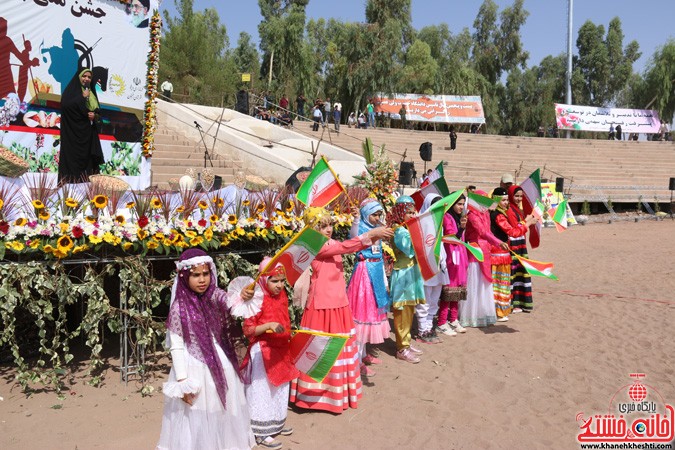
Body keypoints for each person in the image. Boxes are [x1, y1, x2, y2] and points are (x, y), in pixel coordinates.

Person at [290, 207, 392, 413]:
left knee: (335, 350)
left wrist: (367, 231)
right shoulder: (315, 245)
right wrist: (371, 234)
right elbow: (347, 246)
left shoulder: (330, 244)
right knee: (319, 350)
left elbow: (347, 245)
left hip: (338, 303)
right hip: (321, 306)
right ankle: (317, 397)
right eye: (322, 226)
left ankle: (334, 395)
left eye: (329, 225)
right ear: (312, 229)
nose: (328, 229)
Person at [157, 249, 254, 450]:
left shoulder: (215, 295)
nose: (202, 280)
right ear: (184, 277)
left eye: (205, 274)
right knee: (198, 411)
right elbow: (176, 345)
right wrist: (182, 381)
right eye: (195, 275)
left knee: (222, 409)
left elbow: (231, 302)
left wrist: (243, 296)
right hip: (194, 366)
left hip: (221, 362)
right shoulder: (179, 308)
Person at [235, 259, 299, 450]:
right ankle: (260, 432)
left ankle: (277, 422)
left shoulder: (282, 295)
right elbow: (248, 330)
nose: (279, 285)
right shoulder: (255, 298)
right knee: (262, 390)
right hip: (263, 351)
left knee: (280, 387)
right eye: (274, 281)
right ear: (263, 279)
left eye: (281, 280)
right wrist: (269, 326)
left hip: (281, 348)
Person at [347, 199, 392, 376]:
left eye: (379, 214)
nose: (376, 218)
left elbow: (380, 253)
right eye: (373, 214)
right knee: (362, 315)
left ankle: (364, 353)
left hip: (376, 272)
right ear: (366, 214)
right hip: (364, 274)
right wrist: (357, 219)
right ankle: (356, 362)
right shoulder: (362, 228)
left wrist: (385, 280)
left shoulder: (378, 230)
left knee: (370, 314)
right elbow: (353, 237)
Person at [459, 190, 509, 328]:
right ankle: (471, 316)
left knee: (483, 282)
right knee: (474, 283)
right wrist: (498, 242)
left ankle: (483, 314)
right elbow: (482, 232)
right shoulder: (472, 215)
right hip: (475, 251)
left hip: (485, 249)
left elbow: (488, 232)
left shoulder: (485, 214)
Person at [387, 196, 425, 363]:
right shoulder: (399, 230)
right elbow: (409, 247)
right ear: (401, 211)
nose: (412, 215)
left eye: (413, 211)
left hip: (411, 272)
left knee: (410, 309)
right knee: (402, 311)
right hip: (402, 273)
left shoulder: (407, 227)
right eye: (408, 212)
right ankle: (401, 348)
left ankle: (406, 343)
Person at [489, 188, 536, 322]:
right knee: (499, 283)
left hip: (502, 252)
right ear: (497, 200)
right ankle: (498, 311)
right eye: (503, 200)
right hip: (497, 253)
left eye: (506, 200)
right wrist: (527, 223)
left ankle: (501, 310)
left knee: (501, 282)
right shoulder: (498, 215)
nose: (506, 203)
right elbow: (512, 231)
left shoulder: (497, 212)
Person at [58, 68, 104, 183]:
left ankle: (87, 186)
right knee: (72, 160)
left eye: (89, 77)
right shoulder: (71, 91)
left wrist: (95, 116)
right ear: (79, 77)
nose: (86, 79)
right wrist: (82, 97)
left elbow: (99, 114)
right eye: (84, 76)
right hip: (73, 135)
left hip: (88, 135)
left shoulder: (91, 92)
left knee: (88, 161)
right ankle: (69, 185)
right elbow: (66, 105)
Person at [416, 194, 450, 342]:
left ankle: (429, 327)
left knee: (435, 298)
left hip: (439, 265)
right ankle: (422, 330)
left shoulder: (439, 221)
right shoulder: (421, 222)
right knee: (425, 299)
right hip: (426, 266)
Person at [436, 194, 468, 335]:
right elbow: (450, 237)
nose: (461, 207)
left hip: (460, 256)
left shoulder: (458, 217)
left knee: (458, 287)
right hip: (451, 257)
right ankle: (442, 322)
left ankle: (453, 319)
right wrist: (461, 228)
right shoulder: (447, 217)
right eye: (459, 204)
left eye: (463, 204)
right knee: (449, 288)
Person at [507, 185, 535, 313]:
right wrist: (528, 222)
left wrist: (527, 220)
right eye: (516, 196)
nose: (518, 199)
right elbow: (515, 229)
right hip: (513, 245)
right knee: (514, 274)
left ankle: (521, 302)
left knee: (521, 273)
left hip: (521, 244)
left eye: (520, 196)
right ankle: (513, 303)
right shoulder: (509, 210)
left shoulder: (518, 210)